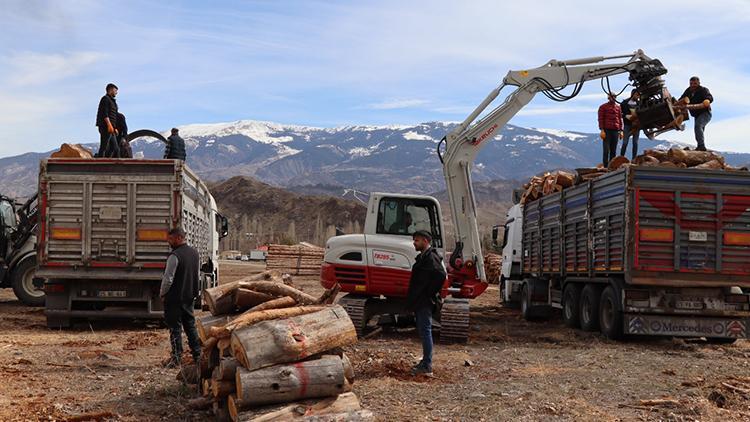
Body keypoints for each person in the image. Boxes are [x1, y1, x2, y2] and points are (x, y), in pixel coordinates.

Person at [406, 230, 447, 377]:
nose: (414, 243)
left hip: (424, 301)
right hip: (420, 300)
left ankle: (427, 365)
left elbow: (441, 275)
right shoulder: (424, 257)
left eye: (416, 240)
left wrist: (429, 293)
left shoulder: (431, 258)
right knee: (424, 332)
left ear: (425, 241)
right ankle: (425, 362)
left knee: (426, 331)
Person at [160, 227, 201, 368]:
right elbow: (196, 275)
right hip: (189, 296)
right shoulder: (194, 253)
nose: (168, 242)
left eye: (170, 239)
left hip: (175, 298)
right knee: (190, 326)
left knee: (175, 328)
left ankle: (177, 358)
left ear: (178, 238)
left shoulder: (174, 256)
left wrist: (163, 293)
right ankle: (198, 355)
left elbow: (168, 279)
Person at [679, 76, 714, 151]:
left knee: (698, 126)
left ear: (698, 83)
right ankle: (700, 146)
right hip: (696, 114)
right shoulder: (688, 91)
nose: (693, 85)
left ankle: (701, 146)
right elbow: (681, 99)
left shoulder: (703, 90)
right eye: (691, 83)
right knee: (699, 129)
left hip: (705, 113)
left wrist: (707, 100)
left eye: (695, 83)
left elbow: (709, 96)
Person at [597, 93, 623, 166]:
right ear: (608, 98)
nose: (612, 98)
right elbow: (600, 119)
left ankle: (612, 166)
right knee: (606, 150)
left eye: (614, 97)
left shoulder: (618, 108)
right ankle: (605, 166)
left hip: (615, 130)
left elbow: (620, 120)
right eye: (611, 97)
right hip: (607, 130)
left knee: (613, 150)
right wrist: (602, 130)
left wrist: (621, 131)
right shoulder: (603, 107)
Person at [95, 83, 120, 158]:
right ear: (111, 90)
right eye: (115, 90)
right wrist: (109, 125)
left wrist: (114, 127)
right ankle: (100, 164)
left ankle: (108, 162)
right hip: (105, 126)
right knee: (104, 146)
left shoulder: (113, 101)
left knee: (115, 148)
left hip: (111, 128)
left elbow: (113, 116)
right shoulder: (105, 99)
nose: (116, 92)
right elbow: (105, 114)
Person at [620, 90, 641, 159]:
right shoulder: (624, 103)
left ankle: (634, 159)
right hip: (627, 125)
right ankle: (621, 158)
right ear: (632, 94)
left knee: (635, 143)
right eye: (636, 95)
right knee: (625, 142)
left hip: (636, 125)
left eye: (638, 95)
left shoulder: (640, 103)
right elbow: (620, 113)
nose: (637, 97)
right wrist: (625, 116)